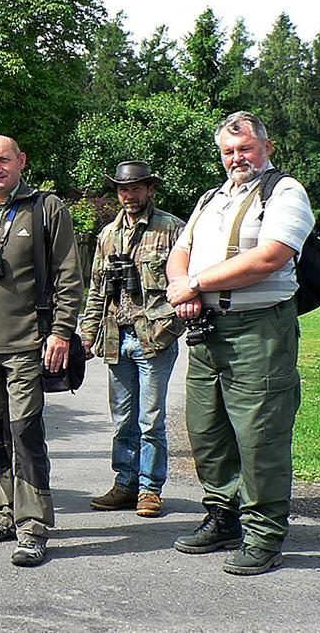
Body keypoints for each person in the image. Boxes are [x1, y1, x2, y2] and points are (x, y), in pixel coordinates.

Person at [166, 111, 314, 576]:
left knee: (260, 435)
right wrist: (184, 289)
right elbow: (180, 252)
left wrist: (195, 283)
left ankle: (265, 535)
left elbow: (271, 256)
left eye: (245, 148)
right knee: (207, 431)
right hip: (208, 330)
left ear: (265, 148)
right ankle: (223, 517)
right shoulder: (212, 198)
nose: (237, 158)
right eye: (229, 151)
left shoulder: (284, 191)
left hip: (260, 331)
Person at [0, 135, 83, 566]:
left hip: (27, 344)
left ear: (21, 161)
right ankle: (5, 511)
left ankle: (34, 524)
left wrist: (60, 332)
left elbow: (68, 275)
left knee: (25, 432)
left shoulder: (45, 208)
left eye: (3, 159)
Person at [81, 162, 185, 518]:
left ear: (150, 189)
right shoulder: (107, 235)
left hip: (154, 338)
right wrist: (86, 333)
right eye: (123, 189)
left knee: (150, 418)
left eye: (136, 188)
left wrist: (172, 327)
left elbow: (186, 285)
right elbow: (96, 289)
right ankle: (125, 484)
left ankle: (150, 488)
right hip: (116, 336)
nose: (129, 195)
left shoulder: (172, 230)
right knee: (123, 418)